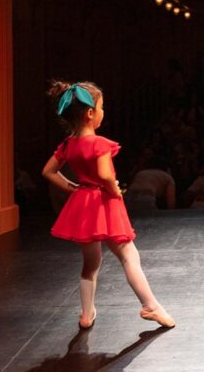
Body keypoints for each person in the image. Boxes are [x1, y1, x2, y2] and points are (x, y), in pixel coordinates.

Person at [42, 81, 175, 330]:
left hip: (83, 204)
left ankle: (85, 314)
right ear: (90, 113)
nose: (105, 111)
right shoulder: (100, 144)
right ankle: (150, 305)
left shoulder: (68, 145)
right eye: (102, 107)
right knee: (129, 255)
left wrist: (73, 188)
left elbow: (48, 171)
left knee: (90, 264)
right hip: (103, 203)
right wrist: (115, 189)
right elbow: (105, 175)